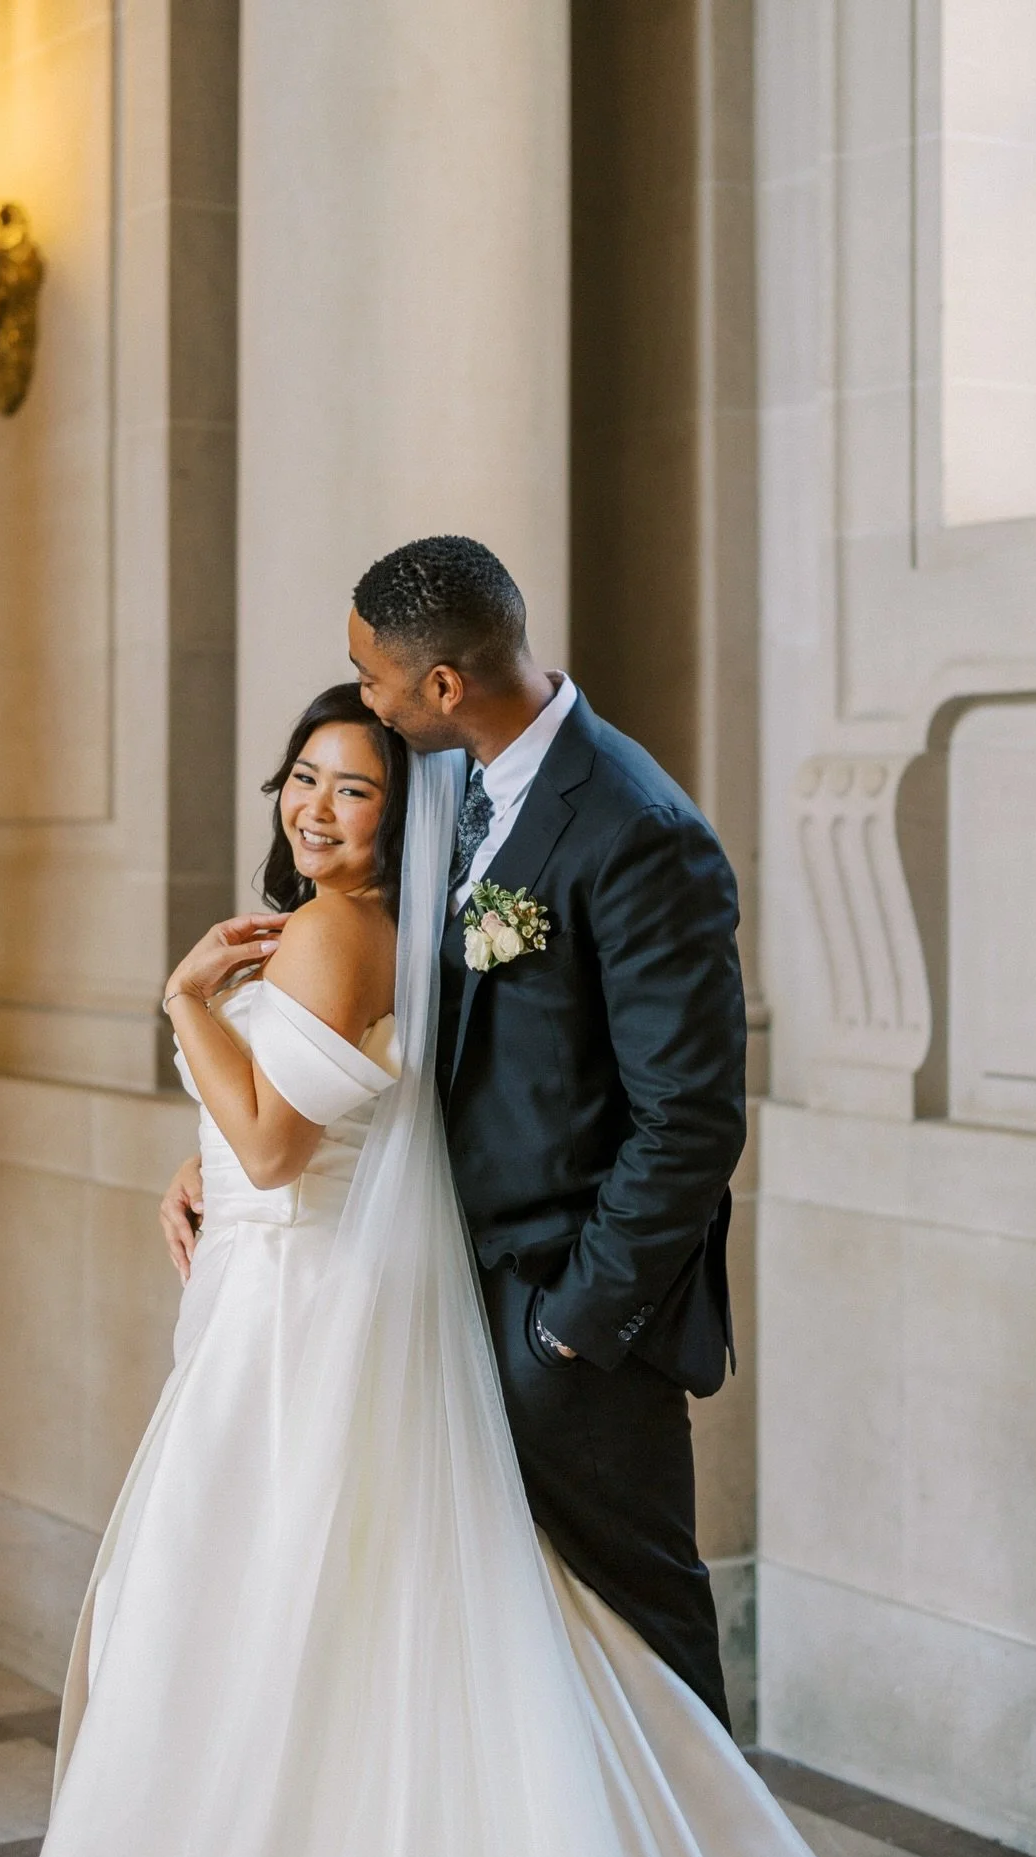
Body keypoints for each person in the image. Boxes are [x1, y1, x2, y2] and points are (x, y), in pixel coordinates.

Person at [19, 667, 853, 1857]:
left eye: (355, 787)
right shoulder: (386, 925)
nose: (316, 806)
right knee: (340, 1619)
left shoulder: (334, 926)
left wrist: (183, 999)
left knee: (262, 1620)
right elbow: (358, 1107)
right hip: (288, 1285)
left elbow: (273, 1145)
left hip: (306, 1312)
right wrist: (204, 1161)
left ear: (399, 808)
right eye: (305, 776)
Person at [163, 535, 747, 1729]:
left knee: (638, 1624)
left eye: (371, 676)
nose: (360, 700)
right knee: (493, 1650)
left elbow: (688, 1120)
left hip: (556, 1318)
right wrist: (218, 1156)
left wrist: (573, 1327)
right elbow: (390, 1033)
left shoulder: (638, 826)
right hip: (416, 1296)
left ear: (441, 684)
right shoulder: (446, 783)